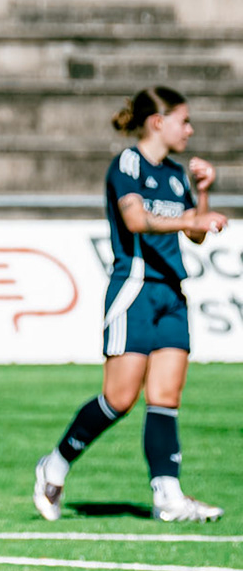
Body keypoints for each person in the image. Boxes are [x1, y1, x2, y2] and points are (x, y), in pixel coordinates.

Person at [34, 86, 226, 523]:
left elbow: (196, 233)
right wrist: (191, 217)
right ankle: (56, 463)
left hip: (171, 293)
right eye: (184, 120)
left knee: (165, 397)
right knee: (119, 398)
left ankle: (168, 496)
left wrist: (203, 193)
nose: (190, 129)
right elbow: (136, 220)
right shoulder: (128, 164)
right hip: (134, 289)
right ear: (158, 122)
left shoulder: (177, 174)